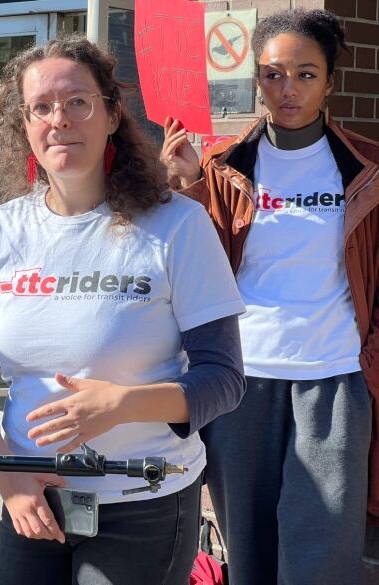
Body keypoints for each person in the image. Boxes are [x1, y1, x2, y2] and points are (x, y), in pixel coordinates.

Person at [0, 36, 247, 585]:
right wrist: (9, 478)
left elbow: (224, 378)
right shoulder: (2, 229)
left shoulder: (177, 226)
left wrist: (121, 405)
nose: (58, 120)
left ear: (112, 115)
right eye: (40, 107)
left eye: (77, 102)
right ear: (24, 125)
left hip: (145, 497)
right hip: (31, 498)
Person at [160, 9, 379, 585]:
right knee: (248, 551)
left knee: (323, 553)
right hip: (243, 379)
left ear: (330, 81)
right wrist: (189, 185)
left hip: (333, 376)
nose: (289, 89)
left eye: (306, 75)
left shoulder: (366, 169)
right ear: (258, 78)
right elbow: (197, 266)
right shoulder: (227, 166)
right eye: (274, 74)